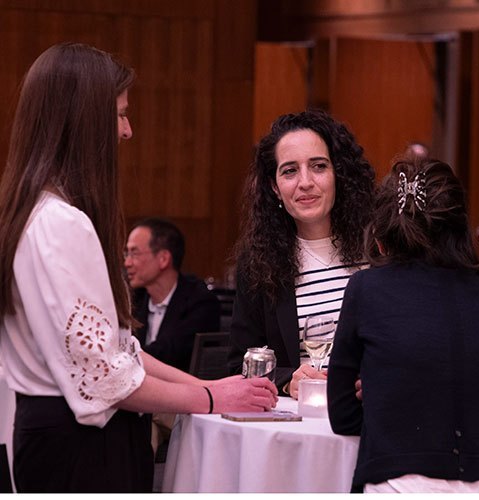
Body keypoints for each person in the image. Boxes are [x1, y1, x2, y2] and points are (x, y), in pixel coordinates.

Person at [0, 42, 277, 493]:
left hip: (61, 438)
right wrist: (210, 396)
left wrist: (216, 388)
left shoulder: (38, 212)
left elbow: (118, 349)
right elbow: (108, 379)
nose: (127, 131)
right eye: (121, 114)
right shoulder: (60, 224)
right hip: (79, 448)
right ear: (85, 122)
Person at [327, 156, 479, 493]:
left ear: (381, 231)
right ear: (459, 229)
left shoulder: (367, 289)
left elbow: (343, 414)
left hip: (402, 481)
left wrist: (395, 402)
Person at [227, 109, 375, 397]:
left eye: (318, 166)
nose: (305, 182)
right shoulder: (259, 262)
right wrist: (286, 380)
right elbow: (239, 365)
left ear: (338, 175)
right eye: (290, 170)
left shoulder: (378, 249)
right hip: (303, 423)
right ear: (274, 186)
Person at [125, 217, 220, 372]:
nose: (127, 263)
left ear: (163, 259)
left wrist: (124, 358)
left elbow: (170, 354)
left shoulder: (200, 303)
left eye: (134, 254)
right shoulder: (132, 299)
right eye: (126, 254)